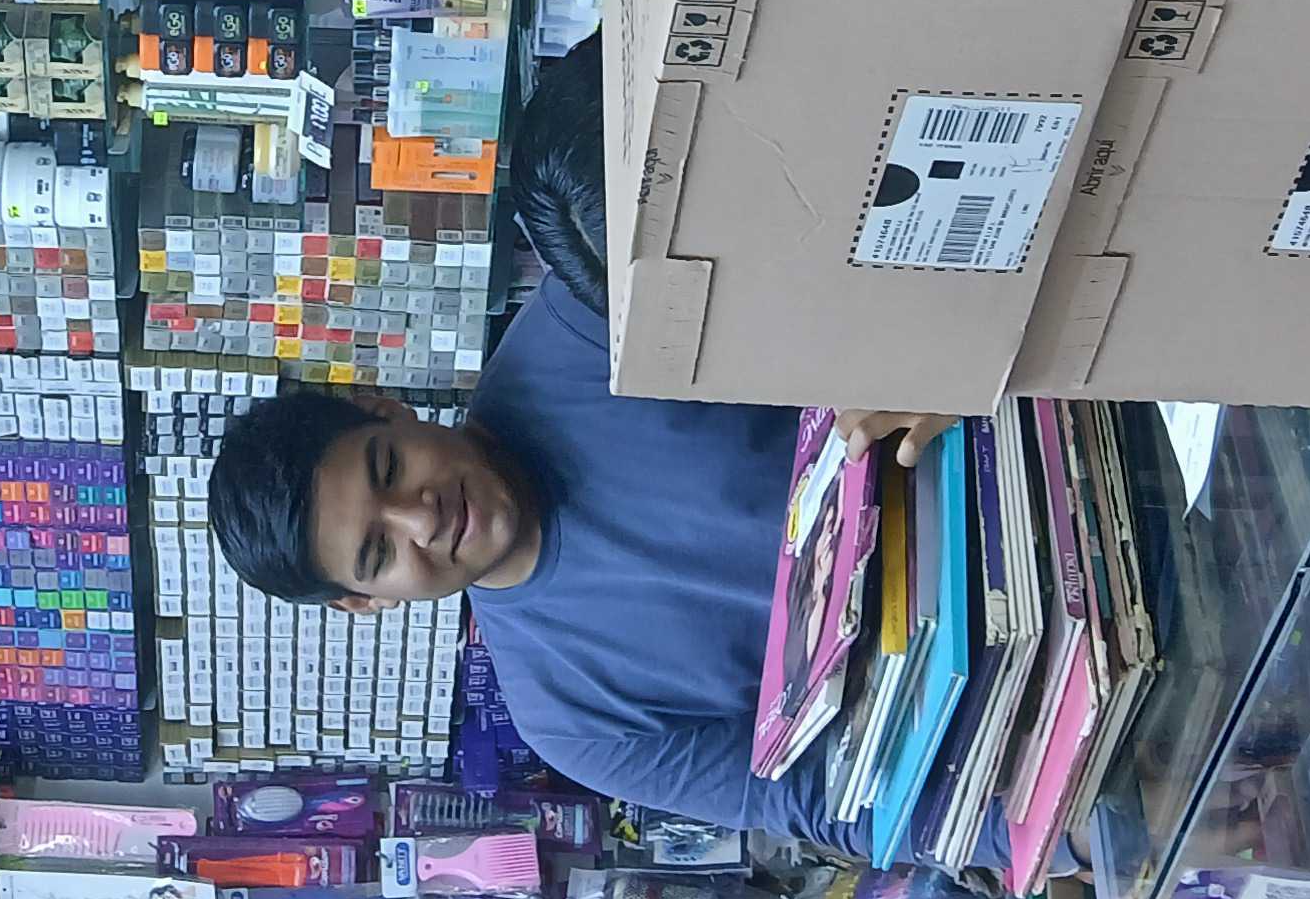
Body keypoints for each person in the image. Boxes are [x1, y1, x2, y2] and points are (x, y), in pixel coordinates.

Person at [207, 41, 944, 839]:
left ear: (387, 409)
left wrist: (929, 359)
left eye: (388, 469)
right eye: (379, 552)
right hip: (985, 684)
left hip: (982, 451)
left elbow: (843, 268)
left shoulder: (589, 323)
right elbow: (832, 803)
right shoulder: (573, 726)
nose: (422, 516)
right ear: (367, 603)